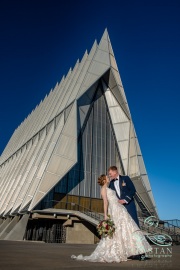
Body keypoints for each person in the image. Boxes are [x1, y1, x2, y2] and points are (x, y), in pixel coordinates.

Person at [71, 174, 152, 263]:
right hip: (113, 210)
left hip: (120, 208)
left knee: (127, 227)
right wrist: (105, 215)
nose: (109, 178)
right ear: (104, 180)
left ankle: (131, 251)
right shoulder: (103, 189)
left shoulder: (110, 187)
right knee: (117, 230)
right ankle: (118, 252)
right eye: (107, 177)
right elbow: (105, 202)